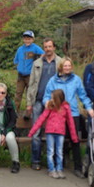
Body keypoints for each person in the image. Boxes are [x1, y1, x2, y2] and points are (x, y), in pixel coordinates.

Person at [43, 58, 94, 178]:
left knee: (74, 140)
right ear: (61, 67)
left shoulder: (76, 80)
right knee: (58, 141)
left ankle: (78, 167)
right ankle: (55, 166)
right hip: (58, 114)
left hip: (73, 114)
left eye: (69, 65)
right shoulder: (53, 80)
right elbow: (46, 96)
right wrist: (47, 102)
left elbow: (82, 95)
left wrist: (88, 107)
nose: (67, 68)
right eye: (65, 66)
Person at [25, 38, 64, 169]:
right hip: (38, 100)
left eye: (50, 46)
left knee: (54, 131)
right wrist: (29, 103)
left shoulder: (60, 62)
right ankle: (35, 161)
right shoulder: (37, 63)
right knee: (36, 132)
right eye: (45, 47)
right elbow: (31, 84)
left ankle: (52, 161)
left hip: (55, 103)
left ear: (54, 48)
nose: (48, 49)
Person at [28, 89, 79, 179]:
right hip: (50, 132)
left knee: (59, 152)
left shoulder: (66, 108)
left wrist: (74, 136)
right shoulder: (50, 107)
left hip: (60, 132)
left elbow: (70, 123)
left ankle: (59, 169)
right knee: (50, 151)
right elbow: (41, 119)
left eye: (53, 98)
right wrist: (32, 131)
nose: (51, 100)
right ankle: (51, 169)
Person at [13, 30, 43, 111]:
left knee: (30, 94)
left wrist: (36, 60)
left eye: (29, 39)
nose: (27, 40)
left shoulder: (36, 48)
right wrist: (19, 67)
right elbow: (16, 60)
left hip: (30, 75)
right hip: (20, 75)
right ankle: (15, 111)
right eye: (26, 38)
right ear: (23, 39)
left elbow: (43, 55)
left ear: (33, 39)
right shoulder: (20, 49)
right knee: (18, 93)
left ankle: (29, 111)